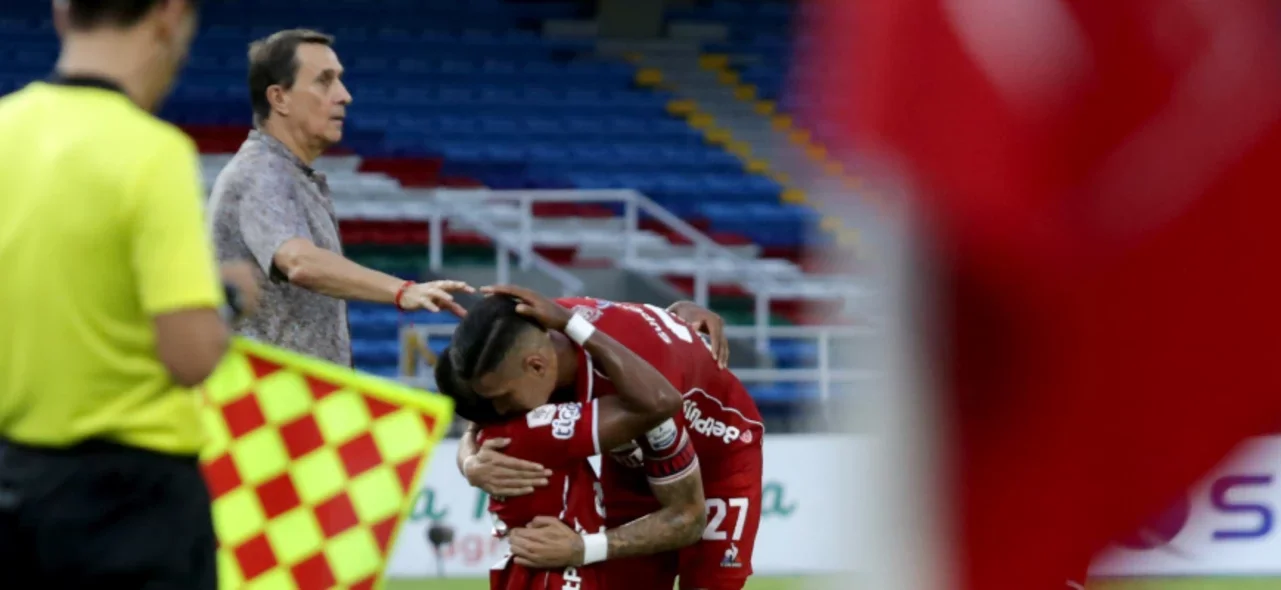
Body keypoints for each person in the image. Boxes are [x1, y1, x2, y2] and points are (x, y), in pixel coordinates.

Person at [0, 0, 259, 587]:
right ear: (170, 15)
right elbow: (189, 355)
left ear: (62, 12)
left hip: (16, 484)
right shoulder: (152, 153)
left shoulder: (6, 129)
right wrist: (227, 298)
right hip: (133, 504)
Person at [456, 288, 765, 590]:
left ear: (537, 366)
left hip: (720, 453)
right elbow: (481, 416)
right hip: (632, 463)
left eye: (503, 398)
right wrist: (471, 460)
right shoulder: (531, 328)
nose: (499, 412)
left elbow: (688, 516)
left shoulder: (646, 394)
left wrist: (583, 548)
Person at [208, 28, 470, 366]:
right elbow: (299, 262)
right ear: (279, 98)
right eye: (324, 81)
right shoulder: (260, 171)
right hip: (270, 392)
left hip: (291, 389)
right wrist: (402, 290)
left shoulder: (289, 174)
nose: (345, 96)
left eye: (340, 80)